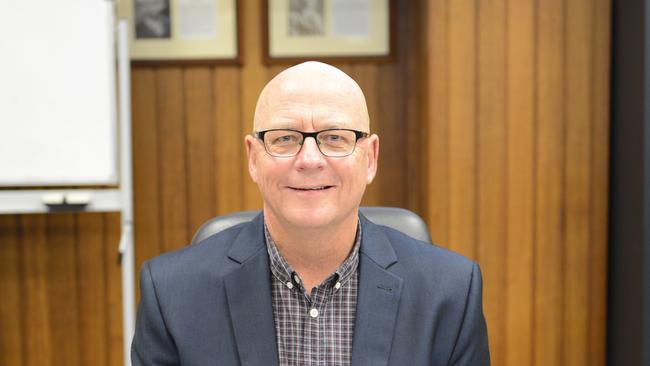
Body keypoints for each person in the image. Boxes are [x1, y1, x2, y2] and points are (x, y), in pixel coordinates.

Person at [131, 61, 490, 365]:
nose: (310, 160)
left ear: (371, 158)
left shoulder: (451, 292)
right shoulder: (171, 293)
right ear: (253, 158)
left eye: (335, 137)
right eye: (284, 138)